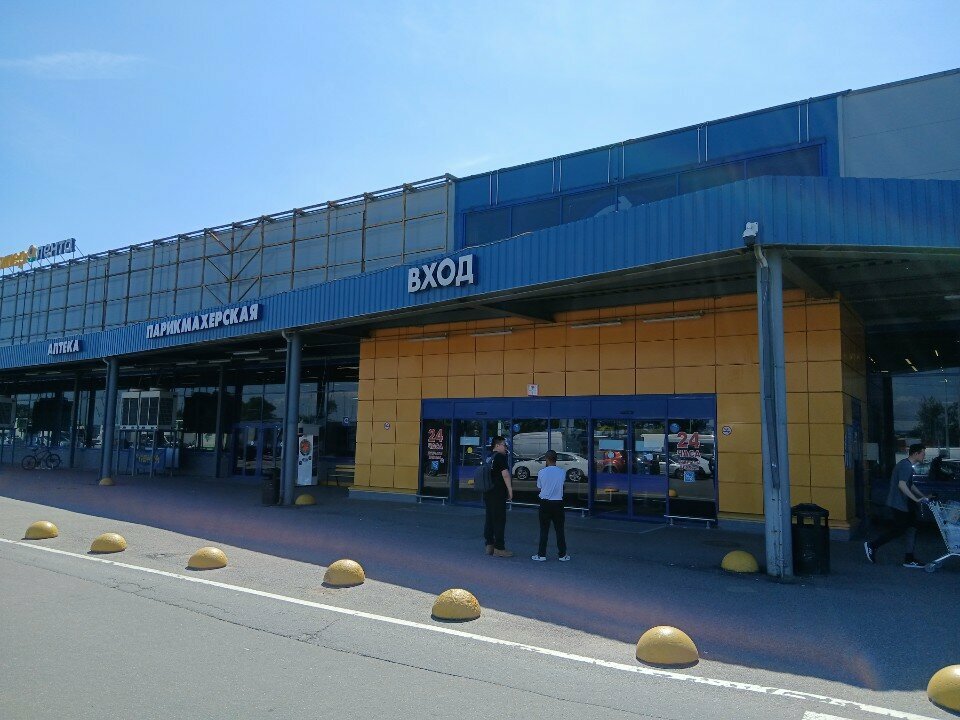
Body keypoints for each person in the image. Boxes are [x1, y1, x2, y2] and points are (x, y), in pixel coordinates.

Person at [864, 443, 931, 568]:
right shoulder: (905, 466)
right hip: (899, 503)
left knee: (912, 527)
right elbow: (902, 485)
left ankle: (909, 558)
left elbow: (910, 484)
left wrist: (923, 496)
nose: (924, 456)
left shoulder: (907, 465)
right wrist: (916, 499)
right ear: (915, 453)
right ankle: (872, 545)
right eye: (923, 453)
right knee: (899, 529)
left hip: (903, 504)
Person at [531, 450, 570, 562]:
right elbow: (562, 485)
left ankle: (541, 555)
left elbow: (539, 486)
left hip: (545, 503)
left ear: (546, 459)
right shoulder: (562, 472)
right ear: (556, 459)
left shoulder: (542, 472)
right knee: (560, 530)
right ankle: (562, 555)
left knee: (544, 530)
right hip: (558, 503)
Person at [484, 436, 514, 558]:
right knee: (499, 520)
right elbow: (505, 474)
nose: (506, 448)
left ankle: (489, 545)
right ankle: (499, 548)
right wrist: (510, 489)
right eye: (504, 445)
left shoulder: (488, 457)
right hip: (498, 492)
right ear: (497, 445)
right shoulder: (500, 457)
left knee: (490, 519)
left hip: (488, 492)